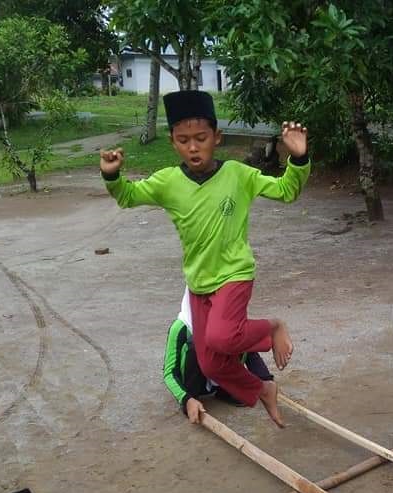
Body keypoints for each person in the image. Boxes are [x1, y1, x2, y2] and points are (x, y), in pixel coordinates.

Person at [100, 90, 310, 427]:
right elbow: (128, 195)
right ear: (173, 142)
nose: (193, 147)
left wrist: (297, 160)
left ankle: (272, 327)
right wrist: (112, 175)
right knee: (211, 362)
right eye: (183, 140)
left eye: (201, 138)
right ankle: (263, 388)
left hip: (234, 273)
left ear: (217, 137)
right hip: (199, 282)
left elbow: (287, 191)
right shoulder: (167, 182)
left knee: (222, 337)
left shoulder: (239, 175)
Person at [165, 288, 274, 424]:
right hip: (195, 382)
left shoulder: (228, 321)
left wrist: (265, 379)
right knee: (195, 344)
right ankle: (193, 398)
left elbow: (250, 351)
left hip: (222, 377)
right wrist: (186, 398)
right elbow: (169, 373)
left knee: (235, 338)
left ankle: (226, 391)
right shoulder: (180, 327)